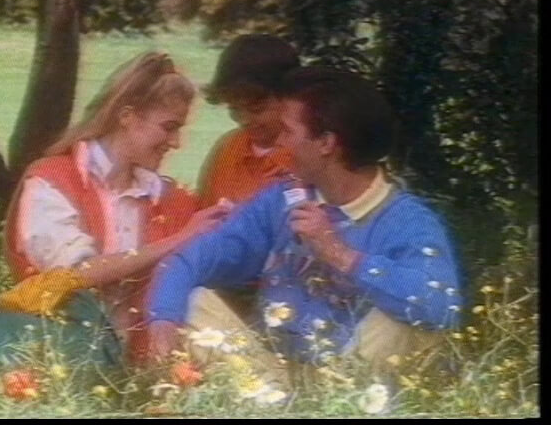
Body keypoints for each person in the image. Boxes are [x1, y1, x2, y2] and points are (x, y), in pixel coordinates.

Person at [146, 66, 463, 377]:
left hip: (352, 380)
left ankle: (333, 403)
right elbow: (190, 260)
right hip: (272, 379)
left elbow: (443, 306)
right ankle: (274, 402)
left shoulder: (408, 220)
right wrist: (163, 321)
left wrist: (339, 253)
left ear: (326, 143)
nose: (280, 143)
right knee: (191, 301)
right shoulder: (282, 199)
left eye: (288, 131)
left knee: (407, 318)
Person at [0, 52, 232, 370]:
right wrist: (179, 239)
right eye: (168, 127)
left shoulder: (172, 198)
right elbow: (76, 275)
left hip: (143, 373)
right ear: (127, 116)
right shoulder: (52, 180)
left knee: (200, 301)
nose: (176, 142)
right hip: (58, 356)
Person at [197, 34, 299, 209]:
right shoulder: (225, 148)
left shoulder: (309, 155)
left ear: (291, 97)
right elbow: (201, 214)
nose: (244, 120)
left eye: (256, 109)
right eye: (234, 109)